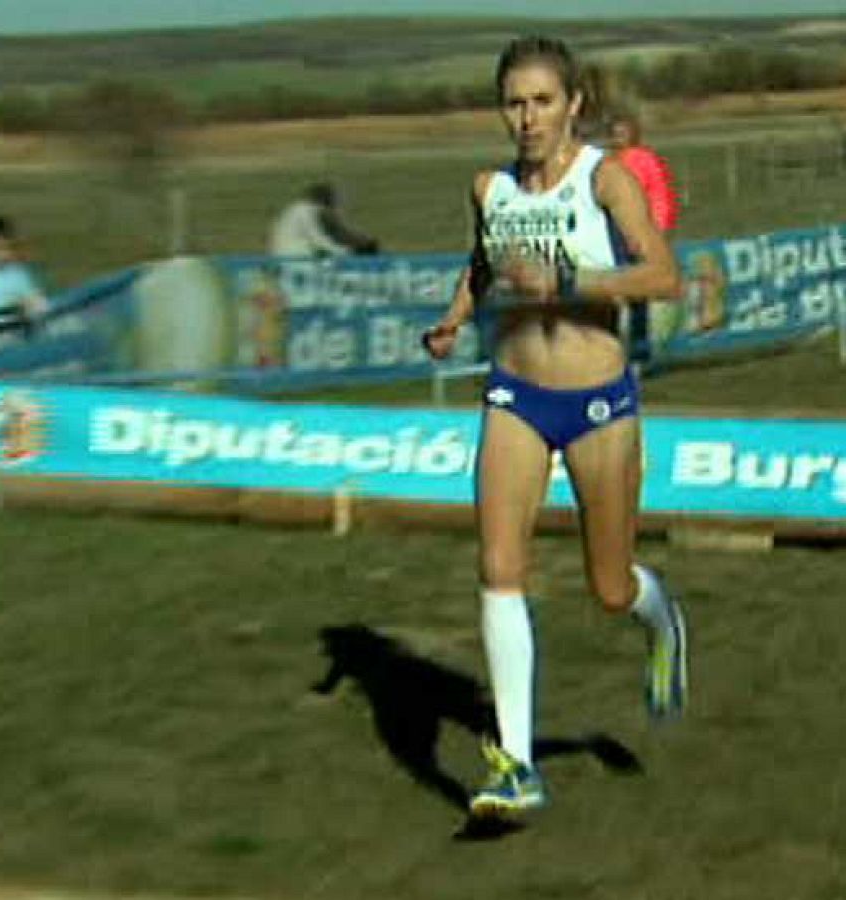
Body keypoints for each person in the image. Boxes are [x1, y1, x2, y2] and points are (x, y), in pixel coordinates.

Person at [421, 36, 687, 820]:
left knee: (609, 587)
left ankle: (663, 620)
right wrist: (453, 318)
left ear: (572, 104)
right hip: (515, 397)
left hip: (598, 401)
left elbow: (664, 274)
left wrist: (570, 280)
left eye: (542, 101)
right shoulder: (489, 188)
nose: (528, 118)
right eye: (514, 102)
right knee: (499, 567)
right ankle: (517, 767)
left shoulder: (604, 180)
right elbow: (482, 262)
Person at [608, 110, 680, 366]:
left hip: (640, 233)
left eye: (623, 133)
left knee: (638, 292)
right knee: (611, 291)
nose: (618, 138)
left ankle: (639, 351)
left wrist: (657, 231)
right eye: (614, 133)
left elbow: (660, 195)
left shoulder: (645, 160)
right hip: (613, 234)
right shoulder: (608, 162)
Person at [268, 182, 380, 259]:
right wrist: (345, 253)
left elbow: (334, 233)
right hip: (293, 258)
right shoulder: (305, 210)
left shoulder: (298, 209)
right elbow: (318, 239)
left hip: (287, 255)